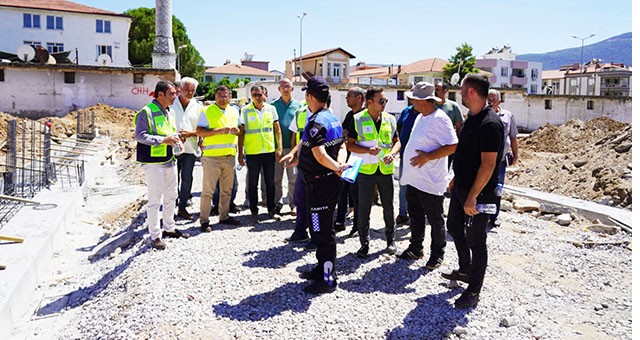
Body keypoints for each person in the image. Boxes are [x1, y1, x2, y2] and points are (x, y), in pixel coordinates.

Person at [281, 76, 349, 294]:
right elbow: (340, 146)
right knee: (320, 228)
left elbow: (320, 155)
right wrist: (338, 164)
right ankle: (321, 268)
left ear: (310, 96)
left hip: (320, 184)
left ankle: (328, 278)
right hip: (324, 183)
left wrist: (336, 167)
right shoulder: (332, 119)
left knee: (322, 232)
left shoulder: (317, 122)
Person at [443, 74, 504, 309]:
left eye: (462, 89)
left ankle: (473, 291)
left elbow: (488, 165)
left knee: (477, 241)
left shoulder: (490, 123)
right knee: (454, 228)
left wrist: (473, 196)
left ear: (471, 92)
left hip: (480, 194)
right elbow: (466, 154)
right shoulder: (472, 119)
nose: (459, 93)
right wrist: (457, 179)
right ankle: (465, 269)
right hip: (462, 188)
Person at [397, 82, 458, 271]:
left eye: (413, 98)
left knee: (435, 218)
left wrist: (428, 157)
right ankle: (416, 248)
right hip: (415, 178)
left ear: (421, 100)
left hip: (430, 179)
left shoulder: (440, 118)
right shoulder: (421, 117)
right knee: (415, 215)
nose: (411, 100)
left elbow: (453, 145)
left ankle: (437, 254)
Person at [134, 80, 190, 250]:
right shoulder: (146, 112)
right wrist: (163, 140)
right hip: (153, 163)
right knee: (154, 200)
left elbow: (169, 132)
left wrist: (177, 138)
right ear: (160, 95)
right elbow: (140, 136)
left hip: (168, 159)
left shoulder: (170, 112)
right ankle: (155, 235)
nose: (175, 97)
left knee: (172, 195)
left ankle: (169, 227)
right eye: (172, 94)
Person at [347, 87, 400, 258]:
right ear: (369, 102)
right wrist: (367, 151)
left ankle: (391, 241)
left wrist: (392, 153)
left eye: (385, 101)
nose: (384, 104)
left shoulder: (390, 119)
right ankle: (364, 244)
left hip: (385, 169)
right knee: (363, 209)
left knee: (388, 207)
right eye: (381, 101)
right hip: (366, 170)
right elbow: (349, 144)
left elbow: (397, 141)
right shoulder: (357, 119)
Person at [196, 85, 242, 232]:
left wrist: (237, 131)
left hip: (229, 156)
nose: (222, 98)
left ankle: (224, 216)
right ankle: (204, 220)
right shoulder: (207, 110)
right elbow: (200, 131)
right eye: (220, 95)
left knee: (227, 190)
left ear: (230, 96)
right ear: (215, 97)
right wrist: (220, 131)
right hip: (211, 157)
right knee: (208, 191)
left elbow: (239, 130)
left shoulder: (234, 111)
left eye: (225, 95)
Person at [238, 85, 283, 223]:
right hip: (252, 153)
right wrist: (240, 153)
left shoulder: (271, 109)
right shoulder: (245, 110)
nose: (257, 97)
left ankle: (271, 210)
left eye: (259, 94)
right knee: (253, 183)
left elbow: (277, 130)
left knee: (270, 183)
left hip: (268, 151)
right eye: (254, 95)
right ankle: (254, 212)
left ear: (265, 95)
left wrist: (279, 147)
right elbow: (241, 133)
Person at [170, 77, 203, 220]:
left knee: (187, 178)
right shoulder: (170, 104)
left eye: (192, 91)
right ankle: (170, 208)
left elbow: (203, 129)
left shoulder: (198, 107)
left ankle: (182, 207)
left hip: (190, 148)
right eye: (186, 90)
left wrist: (191, 134)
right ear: (180, 89)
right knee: (171, 179)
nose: (189, 93)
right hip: (171, 148)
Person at [487, 89, 519, 228]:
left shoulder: (507, 116)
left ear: (499, 100)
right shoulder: (481, 114)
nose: (490, 102)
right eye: (488, 99)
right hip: (484, 160)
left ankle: (494, 217)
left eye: (493, 99)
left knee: (497, 188)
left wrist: (516, 155)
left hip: (500, 161)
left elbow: (513, 137)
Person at [271, 79, 302, 215]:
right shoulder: (273, 106)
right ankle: (277, 204)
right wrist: (277, 146)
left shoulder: (299, 106)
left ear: (292, 89)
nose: (285, 88)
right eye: (282, 86)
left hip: (293, 147)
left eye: (287, 86)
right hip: (277, 147)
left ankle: (293, 204)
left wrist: (296, 149)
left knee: (293, 179)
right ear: (279, 89)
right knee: (276, 178)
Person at [338, 87, 365, 236]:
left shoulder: (365, 116)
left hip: (360, 159)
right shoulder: (349, 115)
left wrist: (349, 136)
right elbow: (343, 133)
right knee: (342, 190)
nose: (347, 99)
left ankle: (357, 226)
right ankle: (340, 222)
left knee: (357, 194)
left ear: (359, 98)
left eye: (350, 96)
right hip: (347, 158)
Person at [394, 100, 419, 227]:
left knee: (418, 187)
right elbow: (399, 126)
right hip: (405, 155)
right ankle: (403, 214)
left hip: (420, 157)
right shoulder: (406, 111)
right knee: (403, 185)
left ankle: (417, 216)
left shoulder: (425, 114)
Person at [435, 81, 464, 169]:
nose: (435, 92)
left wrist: (458, 146)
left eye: (438, 89)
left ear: (445, 91)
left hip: (447, 146)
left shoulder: (453, 106)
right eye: (434, 89)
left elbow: (459, 127)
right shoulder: (430, 106)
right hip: (432, 145)